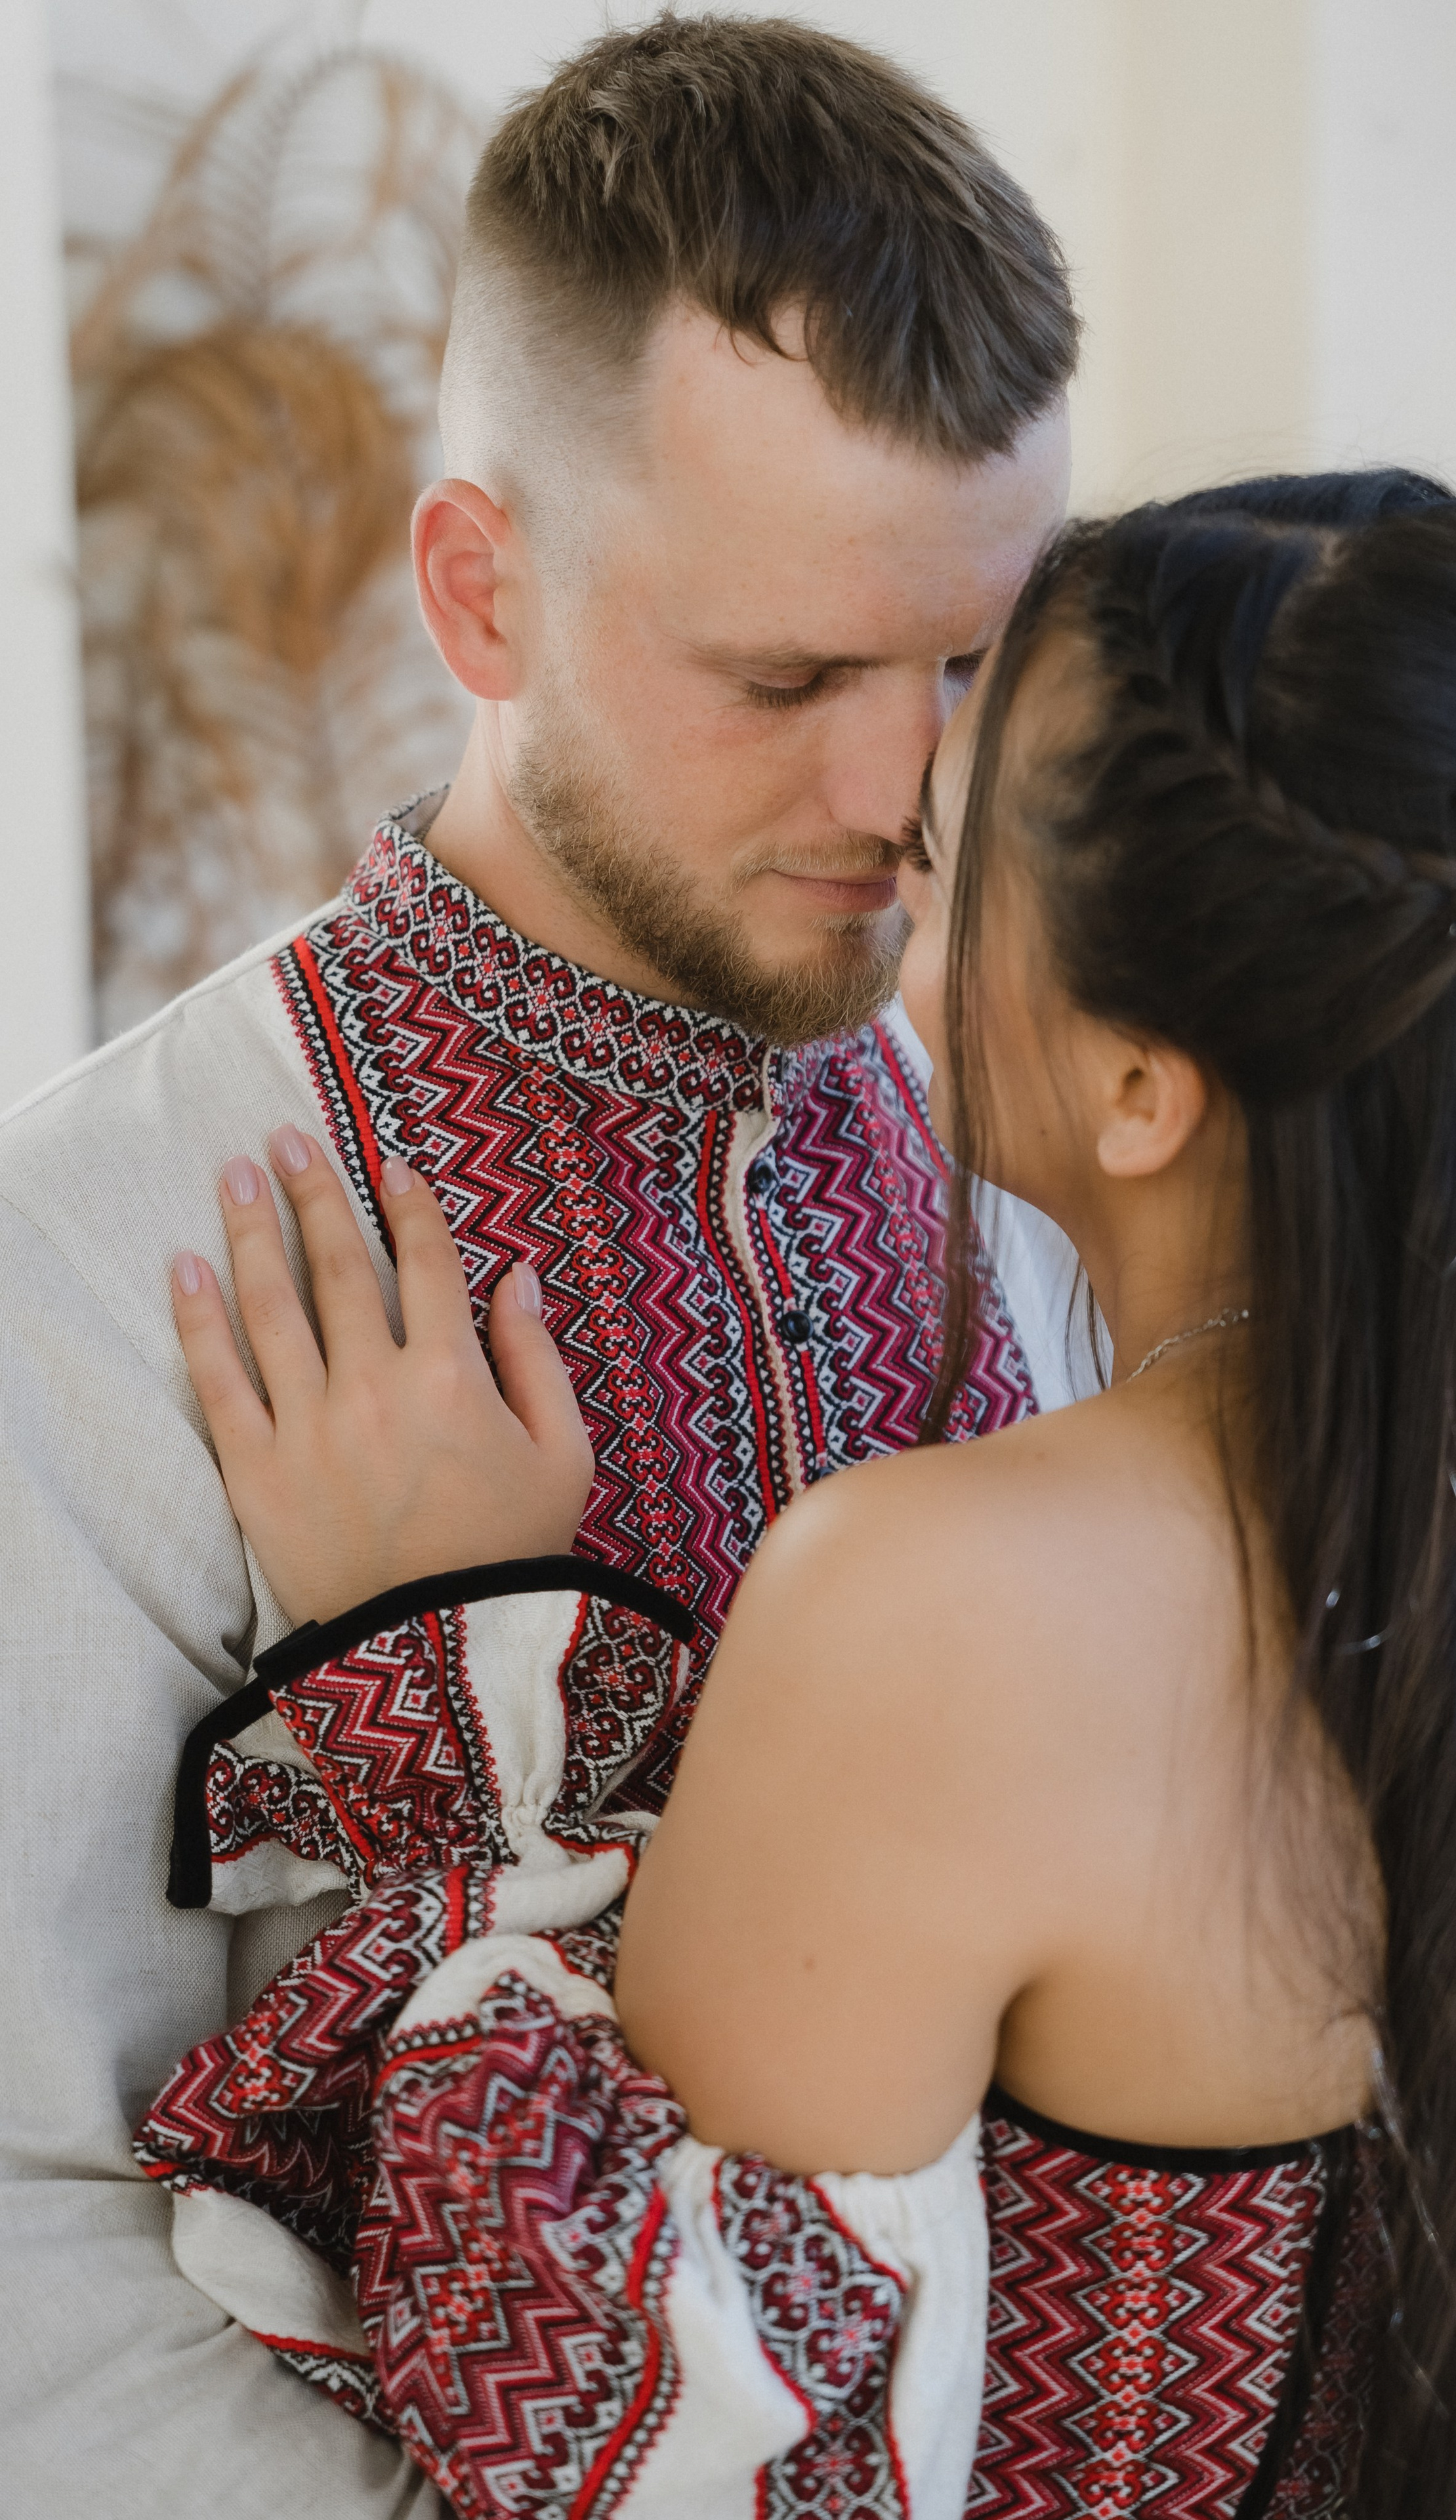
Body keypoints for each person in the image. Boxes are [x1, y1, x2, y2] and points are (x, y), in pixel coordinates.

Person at [138, 465, 1456, 2517]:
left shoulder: (948, 1602)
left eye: (955, 860)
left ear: (1145, 1088)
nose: (886, 820)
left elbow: (639, 2439)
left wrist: (460, 1679)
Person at [0, 19, 1081, 2516]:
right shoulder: (90, 1261)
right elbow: (32, 2260)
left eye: (966, 662)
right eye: (786, 676)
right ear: (481, 593)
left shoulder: (1063, 1172)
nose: (902, 792)